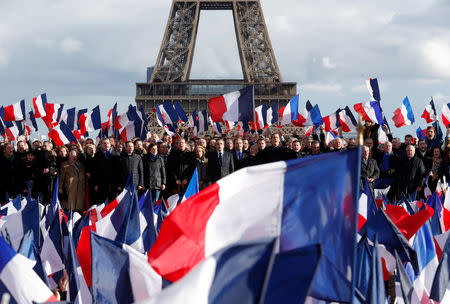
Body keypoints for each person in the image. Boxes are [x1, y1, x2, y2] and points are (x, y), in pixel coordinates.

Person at [91, 138, 122, 205]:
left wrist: (119, 184)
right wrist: (95, 184)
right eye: (104, 143)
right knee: (102, 205)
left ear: (110, 144)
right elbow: (94, 171)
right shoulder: (97, 155)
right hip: (101, 185)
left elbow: (120, 171)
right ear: (101, 145)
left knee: (112, 205)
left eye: (107, 143)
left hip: (114, 185)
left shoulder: (117, 154)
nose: (106, 145)